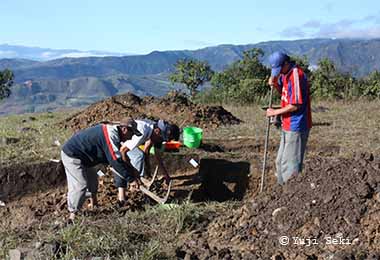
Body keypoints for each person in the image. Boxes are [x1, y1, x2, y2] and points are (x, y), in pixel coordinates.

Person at [61, 118, 142, 221]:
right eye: (132, 134)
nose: (131, 138)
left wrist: (133, 172)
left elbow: (118, 159)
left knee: (94, 180)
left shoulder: (115, 136)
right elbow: (115, 160)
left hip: (87, 159)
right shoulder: (111, 135)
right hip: (73, 155)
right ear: (125, 129)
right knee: (81, 184)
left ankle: (94, 205)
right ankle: (73, 215)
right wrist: (131, 179)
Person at [267, 51, 312, 184]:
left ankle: (290, 194)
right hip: (286, 124)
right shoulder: (284, 74)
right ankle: (281, 192)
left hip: (296, 125)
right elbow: (285, 94)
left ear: (286, 63)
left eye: (280, 69)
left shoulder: (296, 75)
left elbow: (295, 104)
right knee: (280, 161)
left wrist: (275, 113)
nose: (278, 72)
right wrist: (275, 84)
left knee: (290, 165)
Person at [119, 119, 180, 199]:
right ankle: (134, 188)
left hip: (126, 143)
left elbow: (150, 153)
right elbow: (122, 150)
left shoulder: (154, 130)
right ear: (157, 131)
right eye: (160, 138)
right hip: (119, 141)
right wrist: (133, 177)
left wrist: (164, 175)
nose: (160, 141)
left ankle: (138, 180)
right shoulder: (143, 132)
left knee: (140, 156)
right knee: (138, 156)